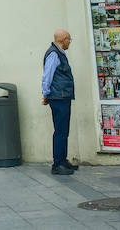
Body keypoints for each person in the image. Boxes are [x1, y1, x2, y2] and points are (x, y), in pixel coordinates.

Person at [42, 28, 76, 176]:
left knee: (64, 130)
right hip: (58, 97)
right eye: (69, 39)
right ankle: (57, 164)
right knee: (60, 131)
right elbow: (47, 75)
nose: (70, 42)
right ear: (63, 40)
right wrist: (45, 93)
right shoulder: (54, 54)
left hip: (62, 96)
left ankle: (63, 160)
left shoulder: (59, 53)